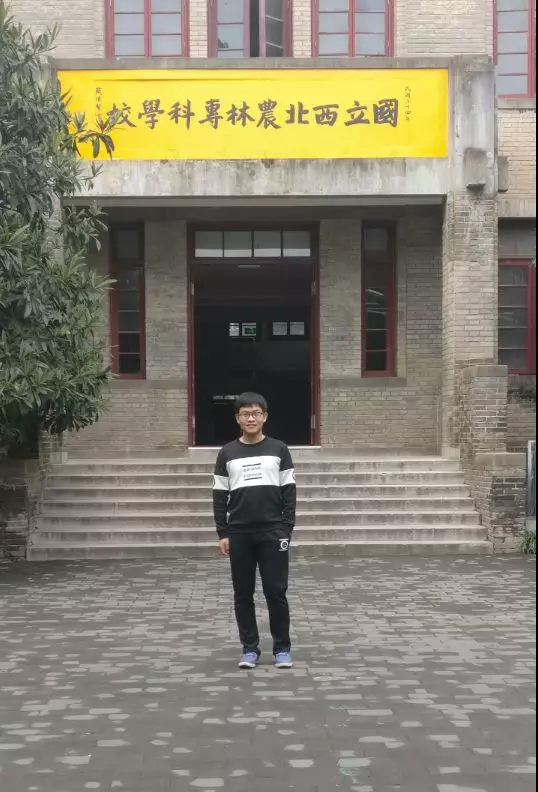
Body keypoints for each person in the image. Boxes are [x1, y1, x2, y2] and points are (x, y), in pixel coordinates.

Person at [213, 392, 297, 670]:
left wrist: (286, 528)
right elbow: (219, 495)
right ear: (237, 418)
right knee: (243, 593)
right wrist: (223, 532)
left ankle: (282, 649)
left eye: (256, 413)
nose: (251, 418)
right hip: (239, 533)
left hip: (273, 532)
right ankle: (249, 649)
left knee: (276, 592)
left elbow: (289, 492)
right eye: (245, 414)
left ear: (265, 417)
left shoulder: (279, 449)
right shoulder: (227, 452)